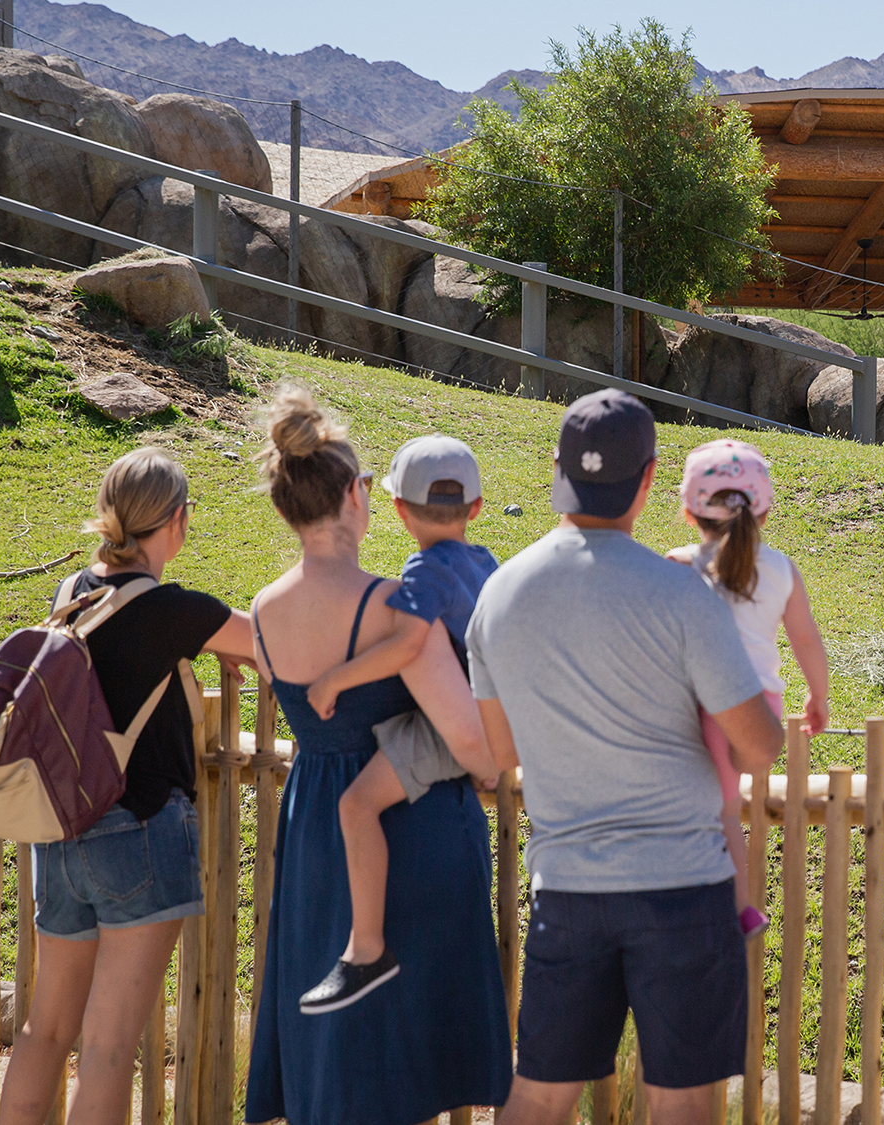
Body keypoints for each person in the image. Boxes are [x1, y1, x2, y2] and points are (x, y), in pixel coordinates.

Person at [467, 389, 784, 1125]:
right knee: (679, 1103)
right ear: (648, 482)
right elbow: (758, 745)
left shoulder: (500, 594)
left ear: (556, 469)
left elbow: (500, 749)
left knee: (539, 1094)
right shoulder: (682, 594)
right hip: (684, 886)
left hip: (568, 887)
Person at [243, 387, 510, 1125]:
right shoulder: (394, 605)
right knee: (406, 1069)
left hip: (316, 840)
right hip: (416, 836)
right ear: (357, 500)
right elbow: (467, 740)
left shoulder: (264, 609)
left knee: (337, 1062)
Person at [0, 448, 256, 1125]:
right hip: (138, 833)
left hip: (60, 834)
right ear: (177, 520)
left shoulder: (71, 593)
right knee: (110, 1049)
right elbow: (268, 644)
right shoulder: (174, 610)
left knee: (45, 1031)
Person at [297, 434, 501, 1014]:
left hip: (452, 730)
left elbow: (410, 645)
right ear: (478, 508)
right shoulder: (485, 561)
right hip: (493, 712)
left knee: (355, 806)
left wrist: (336, 679)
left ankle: (366, 948)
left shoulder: (421, 572)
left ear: (398, 511)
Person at [666, 439, 828, 938]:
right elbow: (806, 640)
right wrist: (819, 698)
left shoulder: (677, 564)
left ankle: (739, 908)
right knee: (726, 803)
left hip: (705, 705)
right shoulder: (780, 568)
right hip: (762, 709)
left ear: (691, 511)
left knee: (716, 808)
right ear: (765, 509)